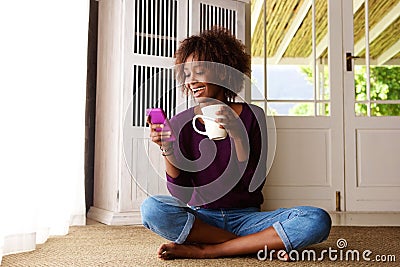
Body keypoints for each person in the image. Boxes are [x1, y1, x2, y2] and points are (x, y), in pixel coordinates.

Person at [140, 26, 331, 260]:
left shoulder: (253, 116)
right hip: (203, 219)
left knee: (317, 219)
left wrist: (238, 135)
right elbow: (181, 192)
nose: (192, 81)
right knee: (152, 209)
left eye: (199, 71)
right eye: (187, 74)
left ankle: (210, 249)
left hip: (248, 219)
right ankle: (259, 245)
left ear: (222, 72)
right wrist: (167, 147)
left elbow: (253, 182)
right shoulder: (180, 123)